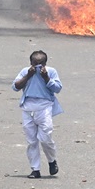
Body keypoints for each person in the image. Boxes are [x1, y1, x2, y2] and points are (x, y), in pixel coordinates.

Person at [12, 50, 62, 179]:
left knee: (45, 137)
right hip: (28, 108)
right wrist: (28, 75)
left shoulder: (51, 72)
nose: (38, 67)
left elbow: (57, 88)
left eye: (41, 64)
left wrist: (46, 78)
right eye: (35, 64)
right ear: (31, 63)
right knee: (31, 141)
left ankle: (51, 160)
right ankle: (35, 169)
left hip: (44, 107)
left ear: (45, 63)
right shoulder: (25, 71)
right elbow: (15, 86)